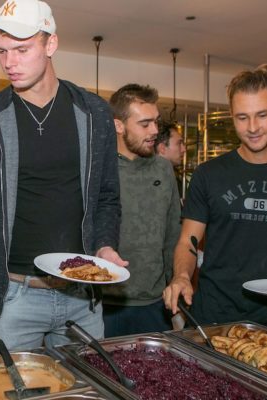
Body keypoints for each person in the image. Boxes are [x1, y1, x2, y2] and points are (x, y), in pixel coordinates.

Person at [0, 0, 124, 356]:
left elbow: (106, 196)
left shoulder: (94, 113)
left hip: (82, 296)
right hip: (13, 297)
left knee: (87, 391)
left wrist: (104, 245)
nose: (10, 63)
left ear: (51, 45)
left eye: (22, 49)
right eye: (1, 51)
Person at [162, 65, 267, 334]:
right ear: (232, 117)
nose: (252, 127)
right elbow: (188, 240)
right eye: (242, 117)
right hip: (213, 315)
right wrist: (182, 275)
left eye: (262, 115)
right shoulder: (209, 174)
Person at [102, 84, 181, 336]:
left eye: (156, 122)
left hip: (154, 305)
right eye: (145, 124)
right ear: (118, 125)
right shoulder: (98, 169)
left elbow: (172, 233)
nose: (155, 131)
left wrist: (174, 284)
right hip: (102, 305)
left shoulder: (163, 169)